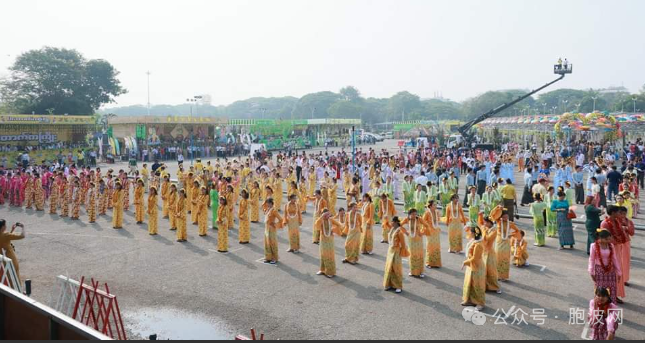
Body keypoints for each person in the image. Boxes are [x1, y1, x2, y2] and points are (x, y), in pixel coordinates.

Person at [589, 229, 622, 305]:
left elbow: (614, 259)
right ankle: (599, 309)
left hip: (610, 271)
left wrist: (619, 272)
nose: (609, 241)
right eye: (606, 239)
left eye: (609, 239)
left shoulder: (611, 246)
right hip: (599, 271)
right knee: (601, 291)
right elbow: (592, 259)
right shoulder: (594, 246)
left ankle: (611, 309)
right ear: (600, 238)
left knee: (612, 290)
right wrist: (591, 272)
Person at [461, 225, 486, 311]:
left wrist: (465, 262)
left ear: (473, 233)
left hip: (477, 266)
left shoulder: (478, 244)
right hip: (471, 265)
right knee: (469, 283)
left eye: (470, 232)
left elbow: (475, 258)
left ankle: (480, 303)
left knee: (477, 284)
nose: (469, 233)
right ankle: (469, 300)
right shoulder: (473, 241)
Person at [400, 209, 430, 278]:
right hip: (411, 240)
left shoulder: (419, 219)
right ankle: (412, 271)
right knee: (412, 255)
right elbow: (399, 225)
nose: (414, 215)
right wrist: (405, 232)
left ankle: (421, 271)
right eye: (413, 214)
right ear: (409, 214)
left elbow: (426, 225)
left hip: (418, 240)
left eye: (415, 214)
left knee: (419, 255)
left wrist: (422, 232)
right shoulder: (407, 219)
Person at [383, 216, 409, 294]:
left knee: (396, 268)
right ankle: (389, 284)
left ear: (395, 222)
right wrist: (386, 219)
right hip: (390, 250)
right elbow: (386, 225)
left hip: (397, 251)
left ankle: (398, 286)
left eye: (392, 222)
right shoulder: (392, 228)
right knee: (389, 267)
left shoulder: (399, 231)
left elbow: (403, 244)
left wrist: (402, 252)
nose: (391, 223)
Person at [315, 209, 343, 278]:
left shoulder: (331, 220)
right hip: (323, 240)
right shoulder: (321, 220)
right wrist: (322, 217)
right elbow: (317, 225)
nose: (327, 216)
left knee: (329, 255)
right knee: (323, 254)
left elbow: (340, 225)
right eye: (326, 214)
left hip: (330, 240)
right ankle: (322, 270)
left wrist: (333, 230)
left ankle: (330, 271)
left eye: (328, 214)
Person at [496, 211, 520, 282]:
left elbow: (517, 230)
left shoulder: (510, 223)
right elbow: (493, 214)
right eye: (504, 217)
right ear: (500, 217)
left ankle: (504, 276)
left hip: (506, 241)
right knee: (498, 257)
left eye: (507, 217)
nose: (505, 218)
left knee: (505, 258)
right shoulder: (498, 221)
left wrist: (511, 235)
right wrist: (498, 208)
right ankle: (498, 275)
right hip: (499, 241)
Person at [481, 216, 501, 294]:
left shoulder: (494, 230)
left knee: (491, 270)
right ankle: (484, 286)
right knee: (483, 270)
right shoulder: (485, 228)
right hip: (483, 251)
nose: (484, 224)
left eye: (485, 222)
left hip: (490, 252)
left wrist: (484, 231)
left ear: (489, 223)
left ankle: (494, 287)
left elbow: (488, 239)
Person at [262, 198, 284, 264]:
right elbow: (262, 207)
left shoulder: (274, 210)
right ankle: (268, 257)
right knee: (267, 243)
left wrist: (275, 224)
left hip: (272, 229)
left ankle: (275, 258)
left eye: (268, 203)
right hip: (266, 228)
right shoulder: (267, 209)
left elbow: (281, 219)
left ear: (271, 203)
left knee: (272, 243)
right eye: (267, 203)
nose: (267, 204)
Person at [423, 201, 442, 269]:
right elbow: (423, 221)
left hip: (436, 232)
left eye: (436, 204)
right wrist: (426, 229)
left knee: (436, 246)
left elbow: (438, 220)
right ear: (430, 206)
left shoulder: (437, 212)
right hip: (430, 232)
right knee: (430, 246)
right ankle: (428, 262)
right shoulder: (427, 213)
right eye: (434, 205)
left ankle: (436, 263)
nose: (435, 206)